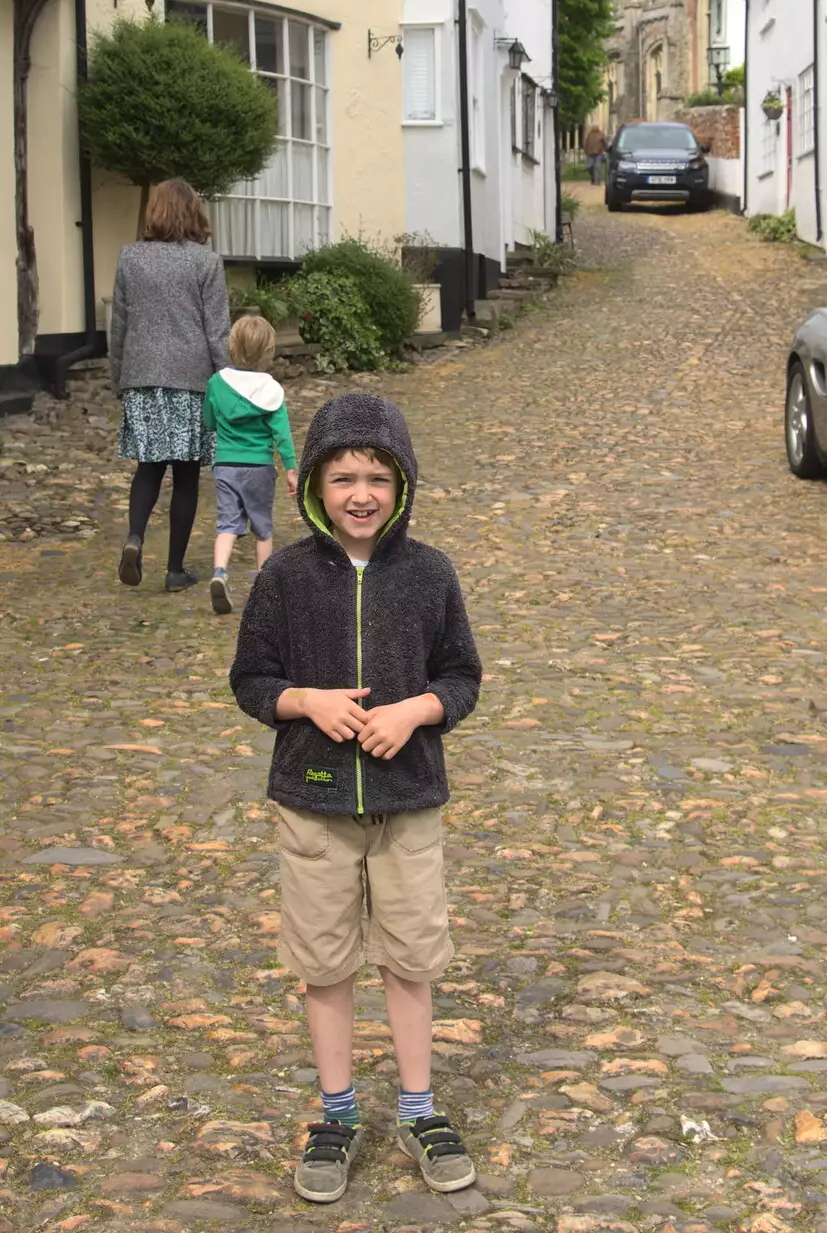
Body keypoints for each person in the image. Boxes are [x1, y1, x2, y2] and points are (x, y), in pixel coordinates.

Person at [230, 392, 481, 1204]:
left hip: (409, 803)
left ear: (403, 483)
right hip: (313, 803)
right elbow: (253, 680)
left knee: (411, 959)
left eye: (378, 476)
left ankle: (418, 1106)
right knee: (324, 963)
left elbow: (462, 677)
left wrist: (415, 711)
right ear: (312, 485)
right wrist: (309, 701)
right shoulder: (285, 576)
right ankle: (336, 1114)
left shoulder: (431, 573)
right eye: (343, 478)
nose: (361, 493)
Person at [110, 178, 230, 592]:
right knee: (185, 476)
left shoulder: (130, 258)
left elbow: (119, 325)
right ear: (193, 212)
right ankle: (175, 570)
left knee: (148, 466)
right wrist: (230, 382)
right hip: (191, 380)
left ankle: (135, 537)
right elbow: (217, 332)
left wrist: (118, 377)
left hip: (141, 376)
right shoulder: (206, 262)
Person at [203, 315, 298, 616]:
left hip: (226, 463)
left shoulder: (217, 383)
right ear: (267, 350)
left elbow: (208, 421)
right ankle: (263, 585)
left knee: (227, 524)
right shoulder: (270, 390)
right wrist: (291, 468)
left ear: (232, 345)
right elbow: (281, 434)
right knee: (262, 527)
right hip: (259, 466)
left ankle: (219, 571)